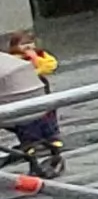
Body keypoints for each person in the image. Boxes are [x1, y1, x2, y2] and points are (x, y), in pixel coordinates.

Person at [2, 30, 58, 172]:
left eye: (30, 43)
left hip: (35, 87)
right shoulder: (13, 60)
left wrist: (35, 59)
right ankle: (30, 142)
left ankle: (50, 136)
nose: (27, 46)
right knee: (25, 121)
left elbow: (50, 65)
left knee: (46, 113)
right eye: (23, 44)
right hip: (13, 92)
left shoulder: (39, 55)